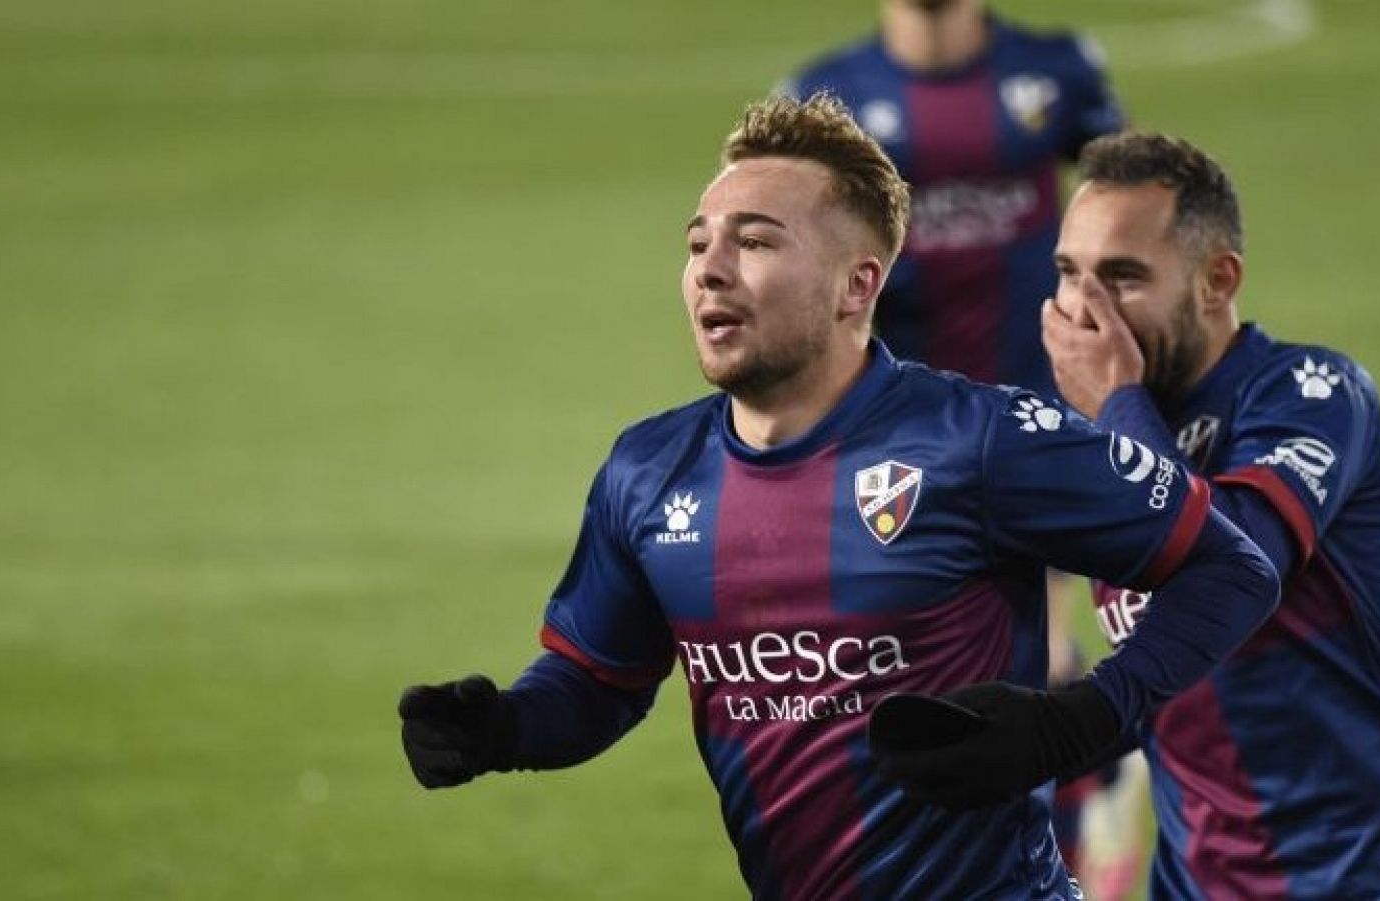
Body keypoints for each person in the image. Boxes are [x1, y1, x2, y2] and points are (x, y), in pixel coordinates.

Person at [397, 94, 1280, 900]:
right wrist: (505, 727)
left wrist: (1077, 722)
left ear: (859, 284)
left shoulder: (976, 441)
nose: (709, 269)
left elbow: (1231, 567)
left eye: (754, 240)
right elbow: (600, 677)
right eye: (698, 241)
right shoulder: (648, 472)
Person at [1034, 131, 1380, 898]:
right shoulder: (1082, 432)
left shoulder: (1311, 394)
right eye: (1069, 273)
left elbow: (1231, 556)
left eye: (1122, 278)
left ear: (1217, 282)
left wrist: (1116, 402)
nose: (1086, 311)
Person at [789, 9, 1143, 884]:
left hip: (1040, 429)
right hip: (893, 449)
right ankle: (1087, 779)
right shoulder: (827, 97)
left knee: (1030, 663)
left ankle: (1072, 816)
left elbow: (1135, 208)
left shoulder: (1055, 68)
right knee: (906, 681)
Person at [786, 0, 1124, 392]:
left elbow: (1134, 190)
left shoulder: (1059, 69)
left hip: (1052, 401)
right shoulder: (825, 96)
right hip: (900, 413)